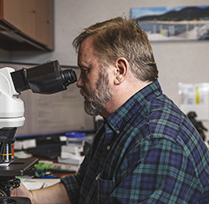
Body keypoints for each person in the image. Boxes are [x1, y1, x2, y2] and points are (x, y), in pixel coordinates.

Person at [11, 17, 209, 203]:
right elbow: (83, 186)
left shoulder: (155, 141)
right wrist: (31, 198)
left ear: (119, 70)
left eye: (86, 70)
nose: (79, 82)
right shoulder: (118, 123)